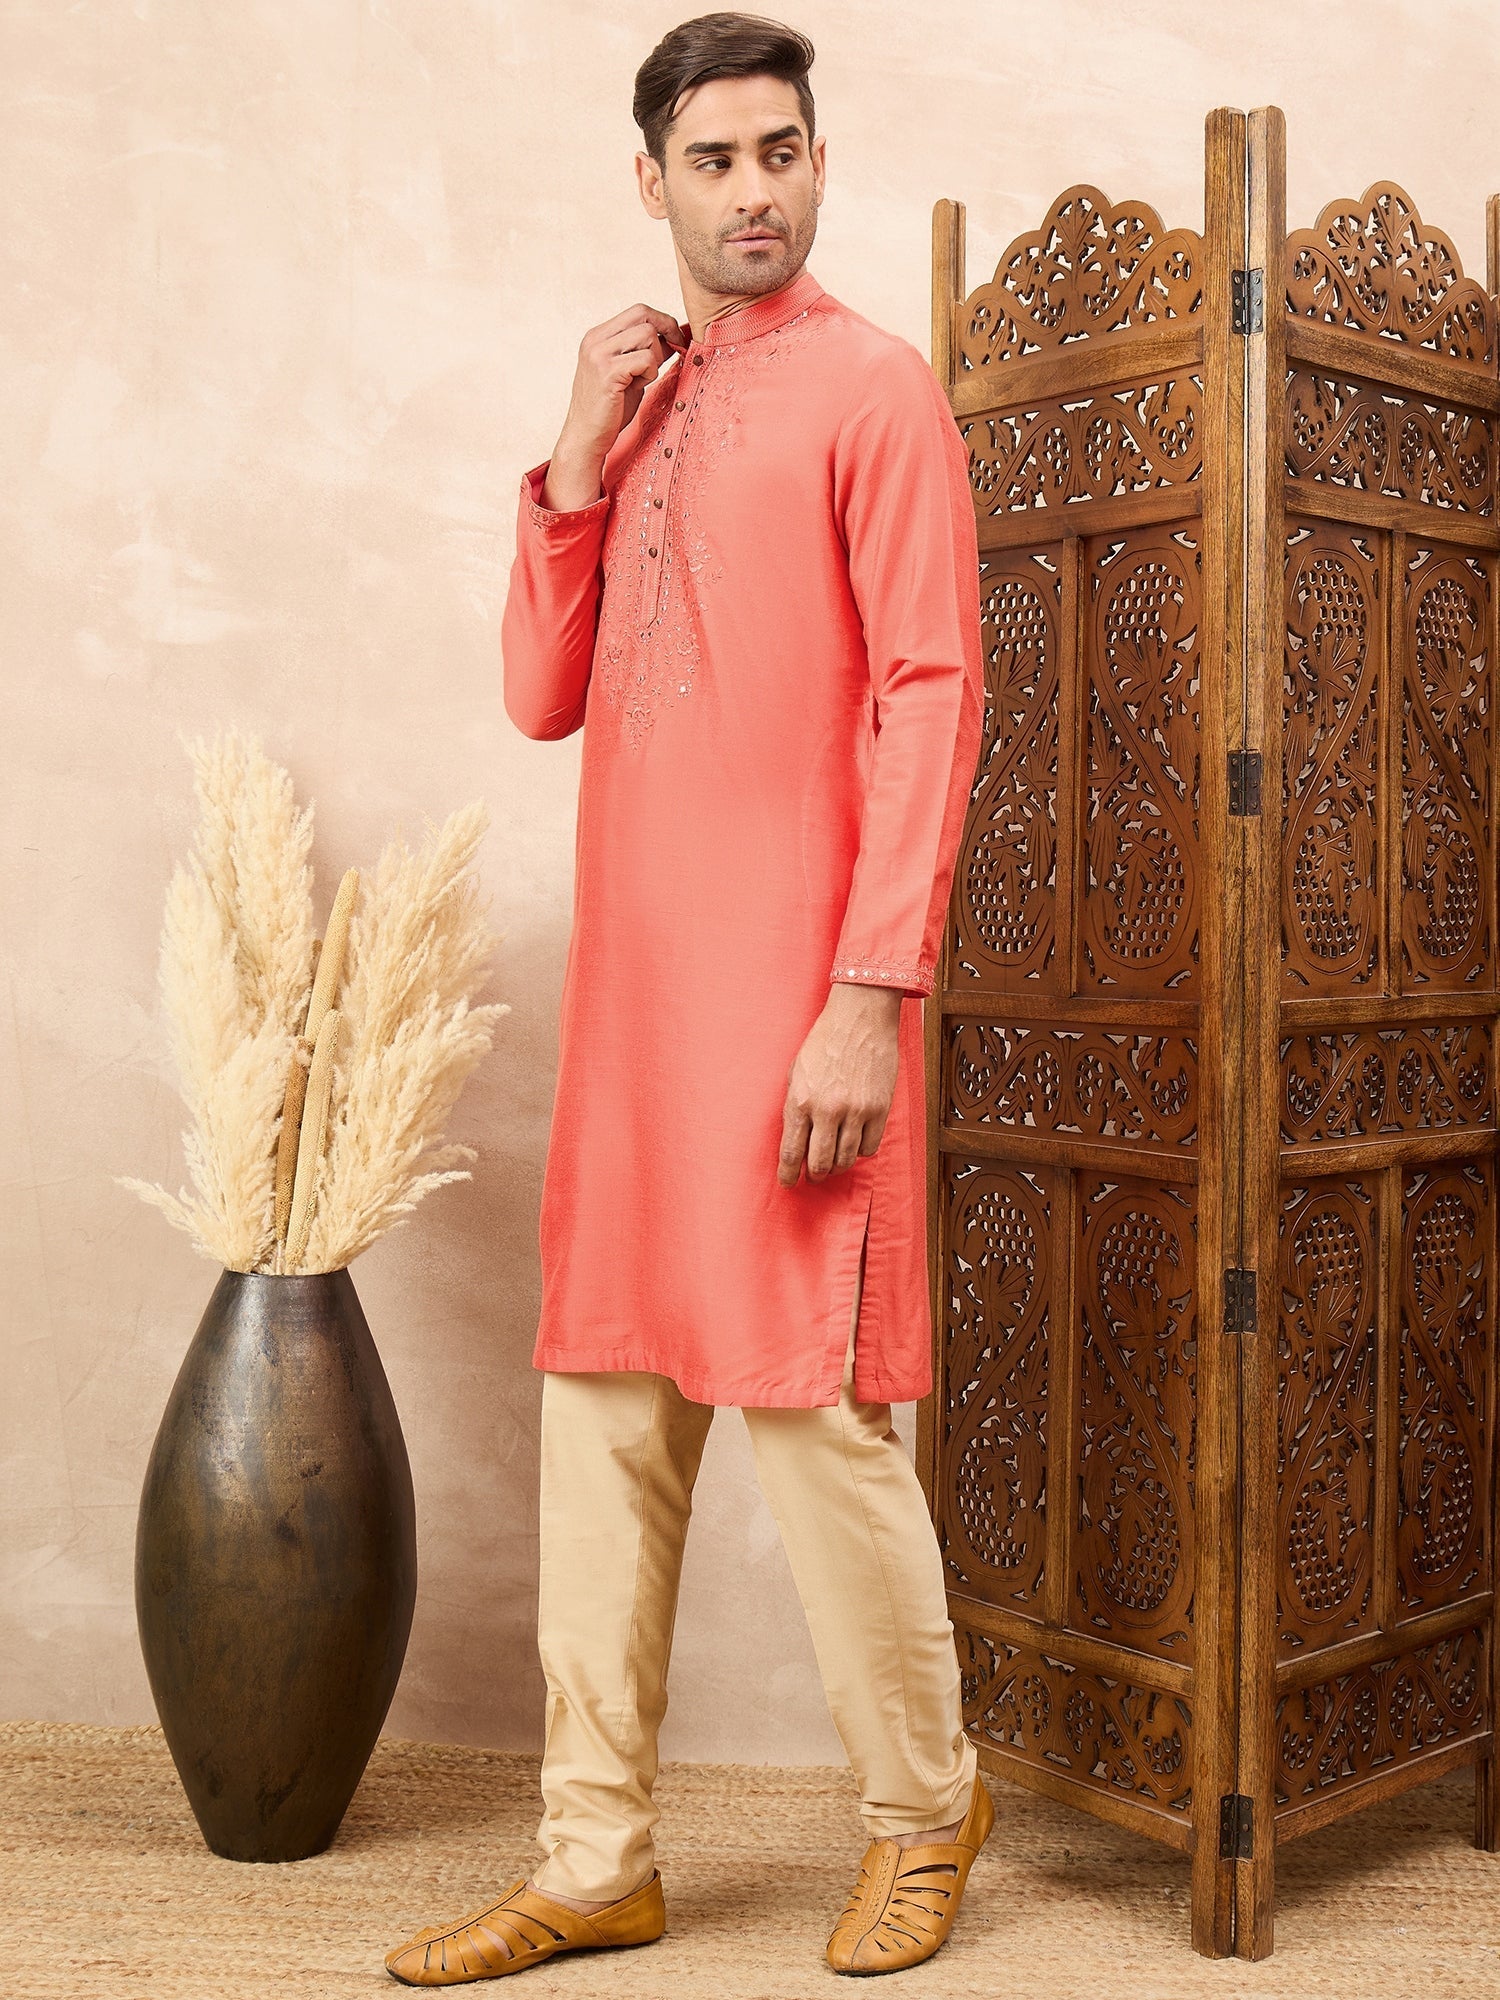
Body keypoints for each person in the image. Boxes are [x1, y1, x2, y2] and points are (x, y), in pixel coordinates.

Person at [384, 11, 989, 1986]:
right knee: (603, 1419)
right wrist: (574, 448)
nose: (754, 192)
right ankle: (594, 1859)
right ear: (650, 181)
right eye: (715, 160)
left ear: (817, 164)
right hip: (640, 1026)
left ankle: (924, 1809)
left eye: (780, 152)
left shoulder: (876, 391)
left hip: (799, 1006)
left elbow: (932, 698)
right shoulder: (636, 405)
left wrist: (869, 993)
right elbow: (539, 695)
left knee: (816, 1425)